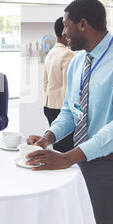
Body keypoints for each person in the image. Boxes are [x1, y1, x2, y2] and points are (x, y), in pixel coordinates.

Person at [26, 0, 113, 224]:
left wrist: (68, 157)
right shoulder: (78, 61)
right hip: (82, 163)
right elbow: (70, 112)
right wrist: (48, 137)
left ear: (82, 24)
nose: (63, 32)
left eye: (66, 25)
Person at [43, 17, 75, 153]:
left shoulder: (51, 52)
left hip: (49, 105)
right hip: (62, 109)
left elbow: (45, 83)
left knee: (58, 146)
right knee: (65, 149)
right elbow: (69, 87)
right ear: (64, 33)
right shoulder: (68, 54)